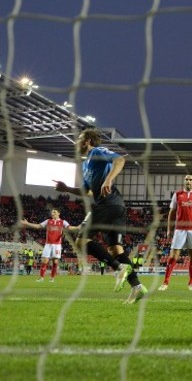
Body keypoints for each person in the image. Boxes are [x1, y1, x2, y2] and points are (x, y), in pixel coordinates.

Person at [54, 128, 147, 304]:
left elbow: (120, 159)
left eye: (79, 138)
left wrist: (108, 179)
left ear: (87, 140)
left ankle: (119, 269)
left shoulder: (97, 152)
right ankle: (137, 287)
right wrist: (66, 188)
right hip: (115, 207)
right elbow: (86, 190)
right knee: (116, 250)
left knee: (81, 241)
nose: (76, 142)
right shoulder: (85, 164)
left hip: (108, 204)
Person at [159, 174, 192, 291]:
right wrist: (169, 228)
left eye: (190, 179)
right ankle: (165, 282)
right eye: (186, 179)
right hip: (179, 229)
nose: (188, 181)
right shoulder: (177, 194)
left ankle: (191, 283)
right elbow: (171, 213)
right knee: (173, 255)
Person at [21, 208, 79, 282]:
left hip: (57, 245)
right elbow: (38, 226)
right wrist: (27, 223)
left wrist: (77, 227)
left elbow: (70, 227)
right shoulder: (48, 221)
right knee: (45, 261)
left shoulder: (63, 222)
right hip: (48, 244)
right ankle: (41, 278)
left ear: (58, 213)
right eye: (52, 212)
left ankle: (52, 278)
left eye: (54, 212)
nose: (52, 214)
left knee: (55, 262)